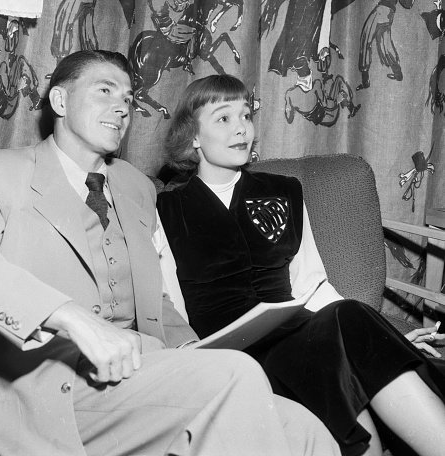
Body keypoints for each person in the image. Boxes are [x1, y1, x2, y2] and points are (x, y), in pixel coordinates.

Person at [0, 51, 341, 456]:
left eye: (127, 98)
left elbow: (156, 296)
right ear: (60, 100)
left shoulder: (137, 188)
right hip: (47, 388)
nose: (121, 107)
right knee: (237, 375)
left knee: (306, 430)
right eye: (104, 91)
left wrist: (192, 350)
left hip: (139, 373)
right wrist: (71, 317)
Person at [156, 74, 445, 456]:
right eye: (224, 118)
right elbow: (167, 303)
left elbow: (312, 282)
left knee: (348, 321)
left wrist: (382, 336)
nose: (241, 128)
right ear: (193, 135)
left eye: (246, 115)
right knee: (341, 343)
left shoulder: (284, 190)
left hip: (296, 334)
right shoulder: (166, 209)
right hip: (228, 354)